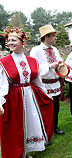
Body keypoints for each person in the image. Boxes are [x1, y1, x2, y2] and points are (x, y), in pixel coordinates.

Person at [0, 26, 54, 158]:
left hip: (30, 97)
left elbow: (37, 81)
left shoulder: (32, 61)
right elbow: (1, 84)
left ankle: (25, 152)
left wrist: (46, 95)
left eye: (14, 40)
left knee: (29, 123)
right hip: (13, 98)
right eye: (9, 40)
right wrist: (0, 102)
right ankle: (17, 153)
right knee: (15, 128)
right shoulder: (3, 62)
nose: (10, 43)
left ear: (22, 42)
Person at [30, 24, 65, 134]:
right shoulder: (35, 51)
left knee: (55, 108)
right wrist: (49, 66)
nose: (56, 38)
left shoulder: (54, 49)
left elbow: (59, 61)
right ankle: (44, 131)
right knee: (44, 110)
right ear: (46, 37)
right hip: (44, 85)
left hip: (55, 84)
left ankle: (54, 127)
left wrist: (61, 64)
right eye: (53, 36)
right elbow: (34, 69)